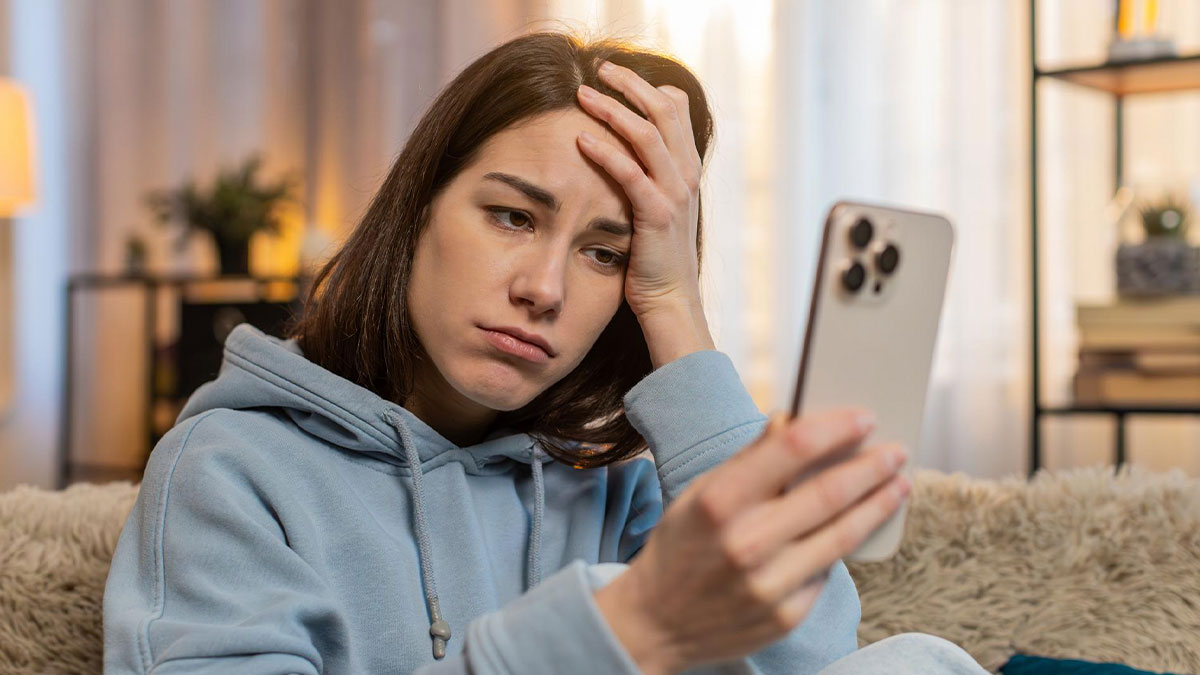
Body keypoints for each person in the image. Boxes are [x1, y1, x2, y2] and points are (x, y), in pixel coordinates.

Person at [102, 30, 989, 674]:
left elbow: (814, 656)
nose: (545, 288)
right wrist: (623, 625)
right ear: (416, 212)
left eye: (604, 252)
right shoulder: (231, 470)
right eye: (512, 216)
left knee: (916, 662)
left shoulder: (615, 486)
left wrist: (676, 307)